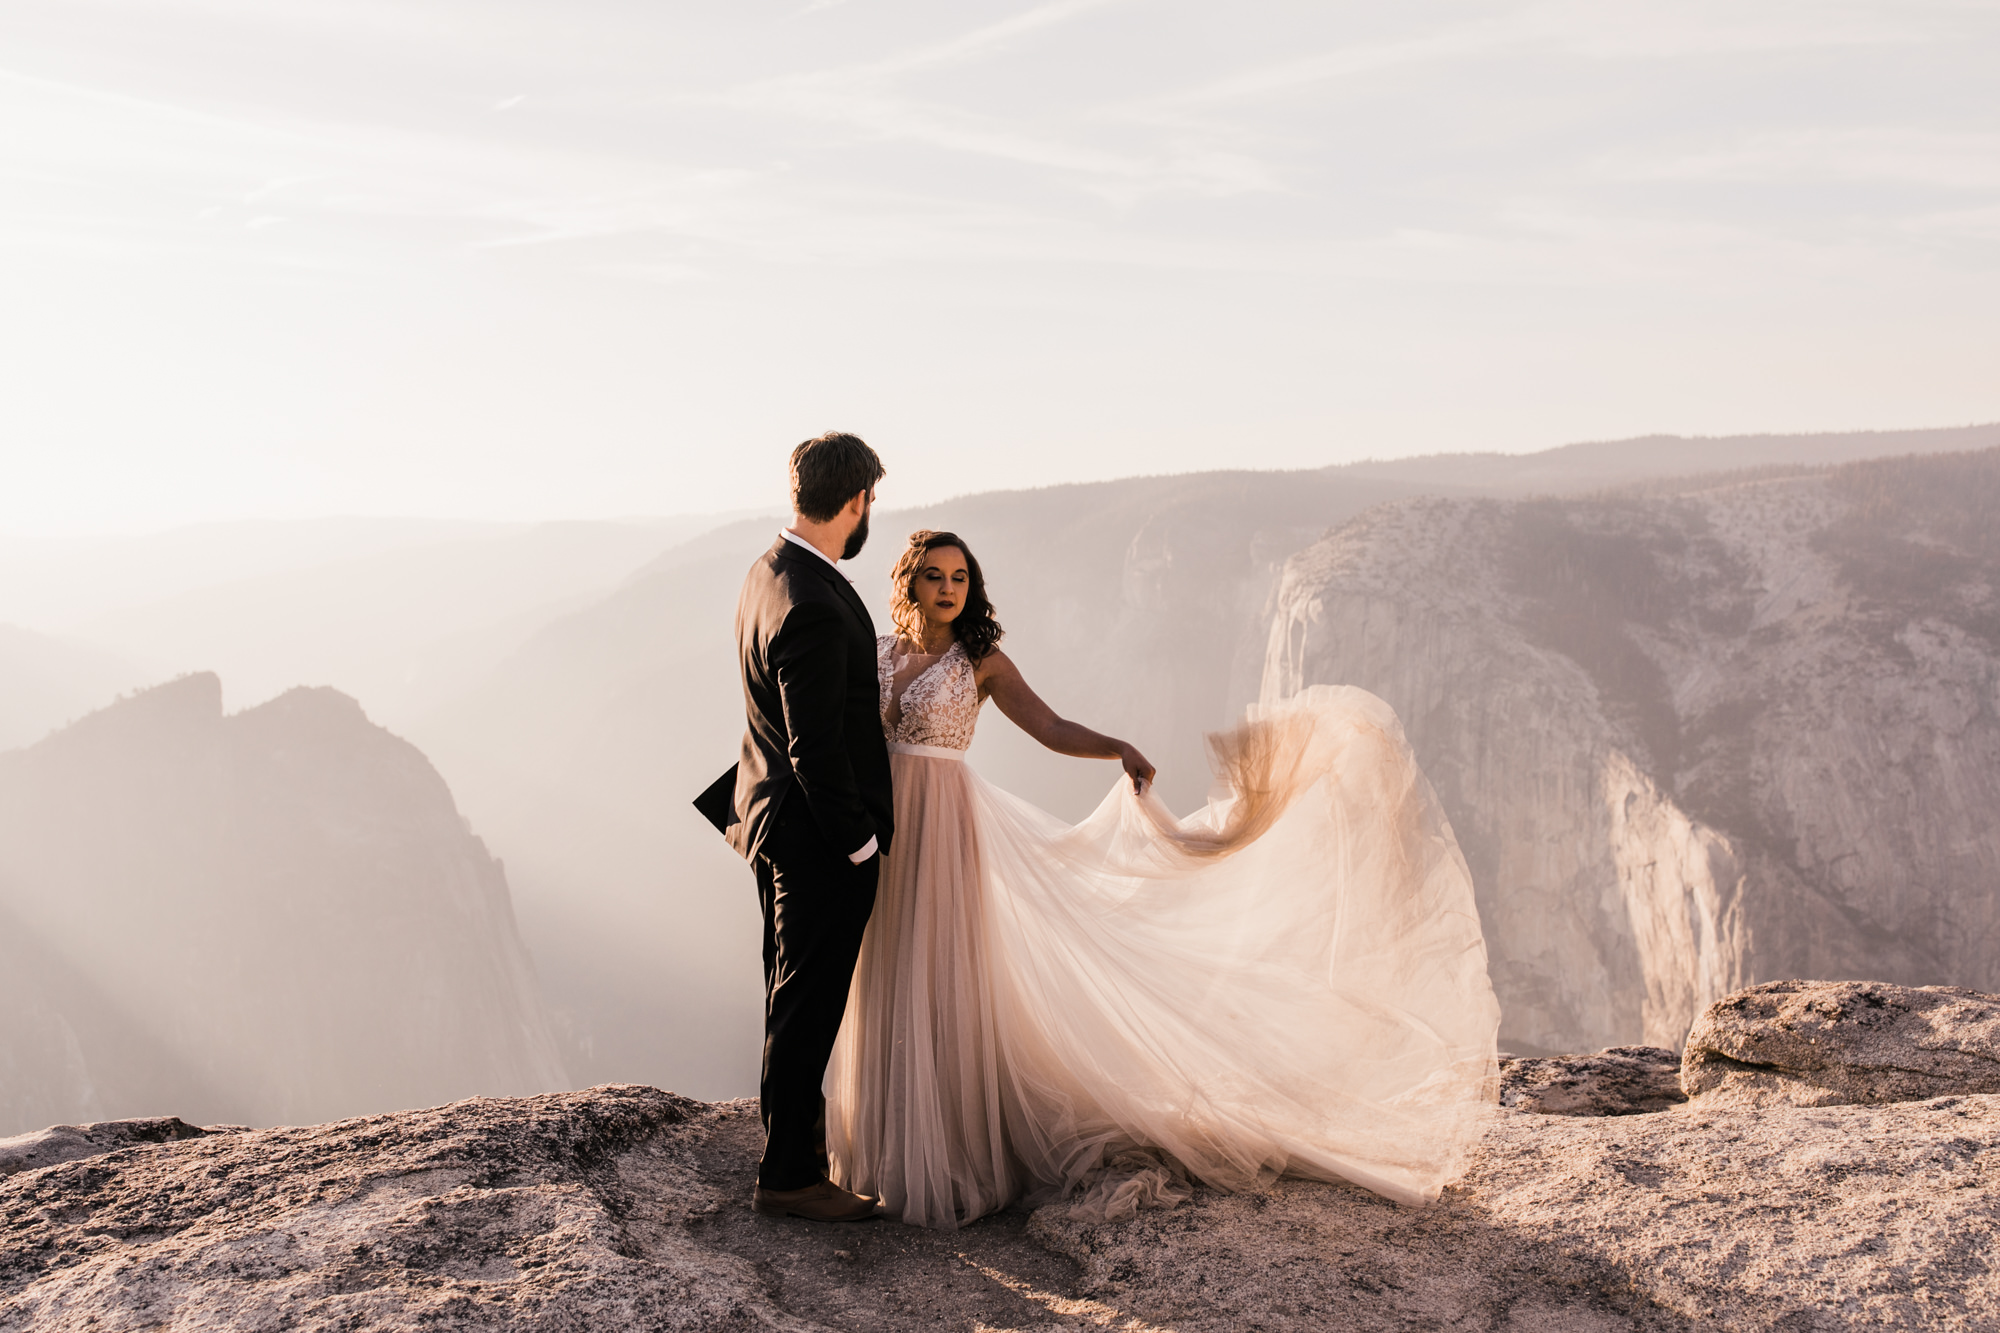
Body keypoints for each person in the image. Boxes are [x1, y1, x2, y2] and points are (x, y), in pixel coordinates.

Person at [823, 529, 1502, 1229]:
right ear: (909, 580)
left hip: (945, 827)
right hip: (879, 822)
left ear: (972, 588)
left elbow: (1049, 725)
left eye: (960, 577)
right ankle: (882, 1152)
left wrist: (1114, 746)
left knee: (937, 976)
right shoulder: (878, 651)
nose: (947, 588)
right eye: (934, 575)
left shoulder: (982, 661)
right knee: (882, 970)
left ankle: (949, 1154)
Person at [697, 431, 892, 1222]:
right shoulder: (812, 602)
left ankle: (796, 1152)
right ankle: (788, 1177)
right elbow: (814, 745)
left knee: (791, 989)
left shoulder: (766, 573)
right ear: (856, 501)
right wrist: (860, 842)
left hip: (767, 820)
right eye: (870, 500)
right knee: (808, 999)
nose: (869, 512)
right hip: (815, 838)